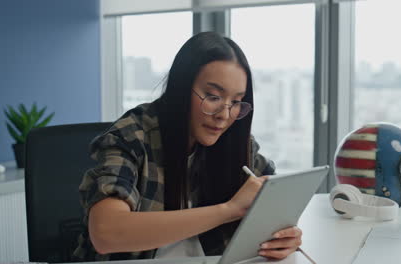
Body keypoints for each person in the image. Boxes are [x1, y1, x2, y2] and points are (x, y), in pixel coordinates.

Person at [73, 31, 303, 261]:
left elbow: (275, 198)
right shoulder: (132, 136)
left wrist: (286, 236)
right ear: (181, 89)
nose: (224, 115)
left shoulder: (235, 141)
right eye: (212, 96)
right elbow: (107, 233)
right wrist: (229, 210)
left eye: (235, 102)